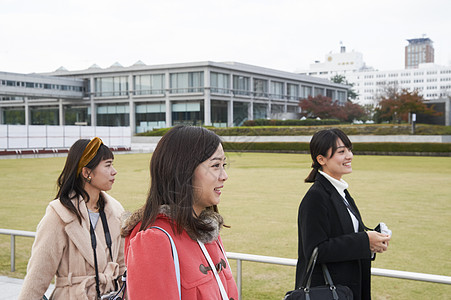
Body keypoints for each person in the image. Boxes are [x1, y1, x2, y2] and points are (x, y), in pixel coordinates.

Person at [121, 125, 239, 300]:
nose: (224, 175)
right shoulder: (154, 239)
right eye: (215, 165)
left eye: (224, 165)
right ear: (184, 171)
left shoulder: (207, 228)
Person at [19, 137, 125, 300]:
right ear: (87, 172)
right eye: (108, 165)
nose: (114, 171)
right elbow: (37, 278)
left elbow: (123, 268)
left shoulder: (116, 211)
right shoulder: (58, 215)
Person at [295, 128, 391, 300]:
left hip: (346, 288)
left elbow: (346, 233)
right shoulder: (316, 197)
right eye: (341, 151)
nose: (349, 156)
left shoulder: (341, 191)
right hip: (327, 291)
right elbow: (315, 250)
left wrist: (374, 240)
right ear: (321, 159)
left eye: (349, 149)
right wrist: (364, 240)